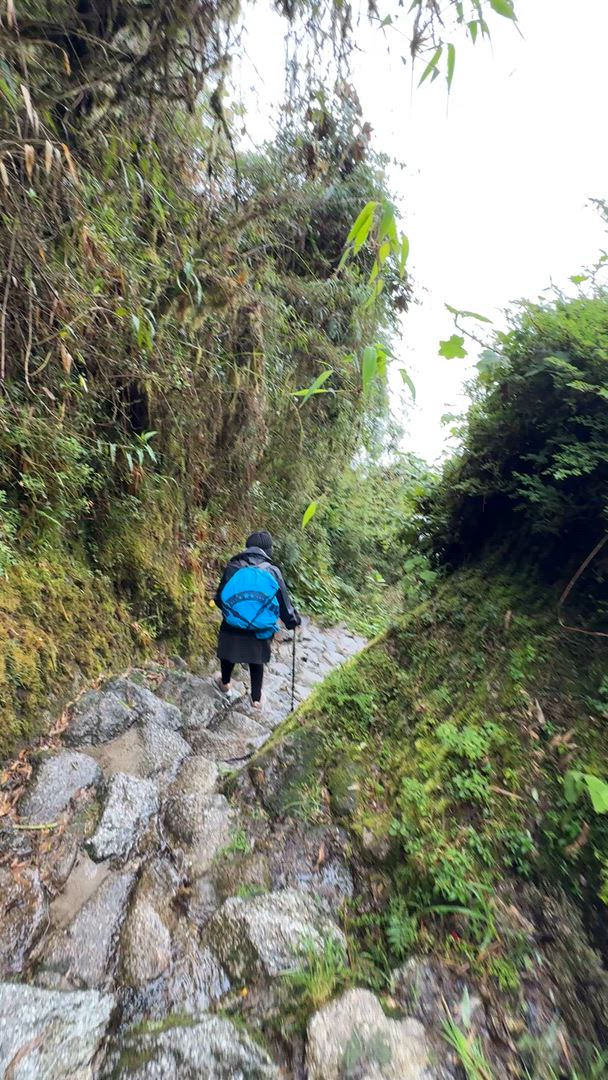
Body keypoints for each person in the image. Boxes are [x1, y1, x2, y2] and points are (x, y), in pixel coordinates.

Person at [214, 530, 301, 708]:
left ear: (248, 547)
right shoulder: (273, 571)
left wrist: (234, 614)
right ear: (268, 550)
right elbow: (284, 604)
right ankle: (256, 699)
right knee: (256, 659)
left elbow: (219, 598)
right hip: (259, 631)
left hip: (232, 627)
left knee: (229, 649)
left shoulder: (233, 566)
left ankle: (224, 683)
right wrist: (293, 621)